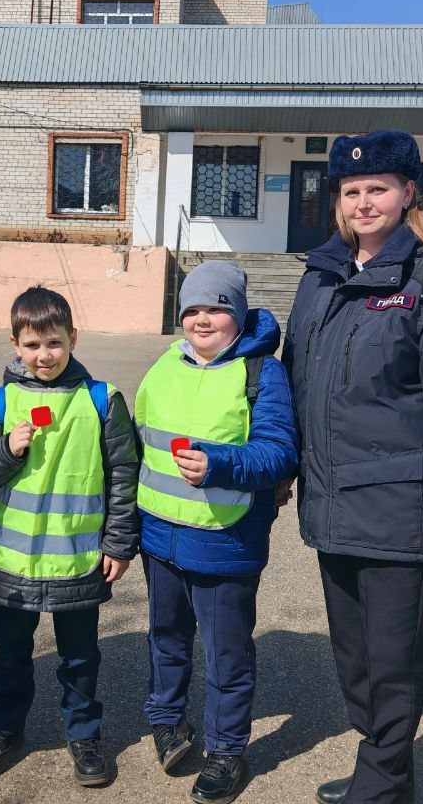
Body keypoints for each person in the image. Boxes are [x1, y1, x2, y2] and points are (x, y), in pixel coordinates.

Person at [282, 130, 423, 804]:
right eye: (351, 191)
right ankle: (383, 774)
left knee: (390, 659)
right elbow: (295, 383)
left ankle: (381, 787)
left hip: (399, 505)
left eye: (377, 188)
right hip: (330, 501)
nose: (363, 202)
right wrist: (281, 467)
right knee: (354, 657)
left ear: (408, 192)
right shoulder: (321, 277)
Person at [0, 286, 139, 788]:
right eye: (33, 344)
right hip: (12, 561)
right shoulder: (0, 401)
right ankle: (4, 729)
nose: (44, 355)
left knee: (80, 658)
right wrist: (7, 449)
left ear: (72, 339)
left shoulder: (102, 400)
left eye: (55, 343)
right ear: (15, 344)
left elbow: (124, 474)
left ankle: (83, 734)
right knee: (9, 656)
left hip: (79, 560)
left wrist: (119, 543)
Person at [134, 260, 298, 804]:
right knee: (166, 639)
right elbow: (136, 444)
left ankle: (226, 750)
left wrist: (221, 464)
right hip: (160, 537)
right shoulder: (165, 364)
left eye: (217, 309)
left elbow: (280, 452)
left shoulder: (261, 373)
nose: (202, 320)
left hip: (225, 542)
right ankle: (167, 722)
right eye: (193, 309)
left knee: (226, 654)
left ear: (239, 316)